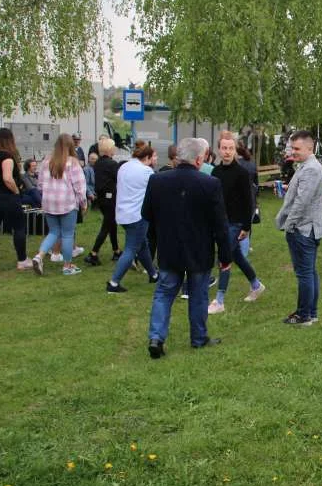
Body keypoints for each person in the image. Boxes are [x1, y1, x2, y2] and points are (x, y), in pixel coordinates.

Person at [143, 137, 231, 357]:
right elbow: (220, 225)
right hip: (199, 250)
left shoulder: (157, 181)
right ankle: (198, 338)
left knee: (164, 293)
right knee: (198, 295)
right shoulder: (210, 184)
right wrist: (225, 256)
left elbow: (147, 214)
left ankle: (156, 337)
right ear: (199, 159)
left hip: (169, 247)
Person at [207, 132, 266, 314]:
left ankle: (219, 300)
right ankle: (256, 285)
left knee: (225, 257)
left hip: (236, 223)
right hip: (220, 222)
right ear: (219, 149)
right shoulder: (215, 172)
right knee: (237, 256)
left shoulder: (242, 173)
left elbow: (249, 201)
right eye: (224, 148)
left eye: (230, 148)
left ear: (235, 150)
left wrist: (246, 227)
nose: (227, 152)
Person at [275, 130, 322, 325]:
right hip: (306, 228)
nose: (293, 152)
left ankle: (304, 315)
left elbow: (302, 202)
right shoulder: (307, 166)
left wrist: (289, 225)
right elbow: (303, 194)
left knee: (305, 273)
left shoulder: (311, 168)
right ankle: (310, 313)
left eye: (297, 148)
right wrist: (289, 189)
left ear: (309, 148)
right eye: (292, 148)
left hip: (303, 230)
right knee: (309, 272)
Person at [0, 128, 35, 273]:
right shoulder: (7, 157)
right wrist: (16, 191)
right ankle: (22, 260)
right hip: (5, 197)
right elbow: (7, 178)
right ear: (10, 140)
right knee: (19, 227)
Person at [30, 134, 87, 276]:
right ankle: (67, 266)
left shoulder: (46, 161)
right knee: (67, 234)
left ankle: (40, 256)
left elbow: (40, 184)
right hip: (67, 202)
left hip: (49, 202)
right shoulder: (73, 162)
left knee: (54, 232)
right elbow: (80, 185)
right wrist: (83, 202)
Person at [105, 141, 159, 292]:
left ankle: (153, 275)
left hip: (122, 213)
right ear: (147, 157)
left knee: (142, 245)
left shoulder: (124, 166)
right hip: (138, 215)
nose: (153, 161)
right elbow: (155, 192)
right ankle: (114, 283)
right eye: (152, 158)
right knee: (131, 248)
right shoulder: (146, 171)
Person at [84, 137, 122, 266]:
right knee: (107, 226)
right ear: (110, 149)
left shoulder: (98, 163)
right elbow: (119, 179)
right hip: (110, 198)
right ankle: (93, 253)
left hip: (101, 198)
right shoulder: (112, 164)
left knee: (112, 224)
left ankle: (116, 251)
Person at [236, 142, 258, 256]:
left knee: (235, 224)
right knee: (247, 223)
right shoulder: (251, 164)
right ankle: (245, 248)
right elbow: (256, 183)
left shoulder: (234, 164)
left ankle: (238, 249)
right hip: (250, 198)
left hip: (237, 199)